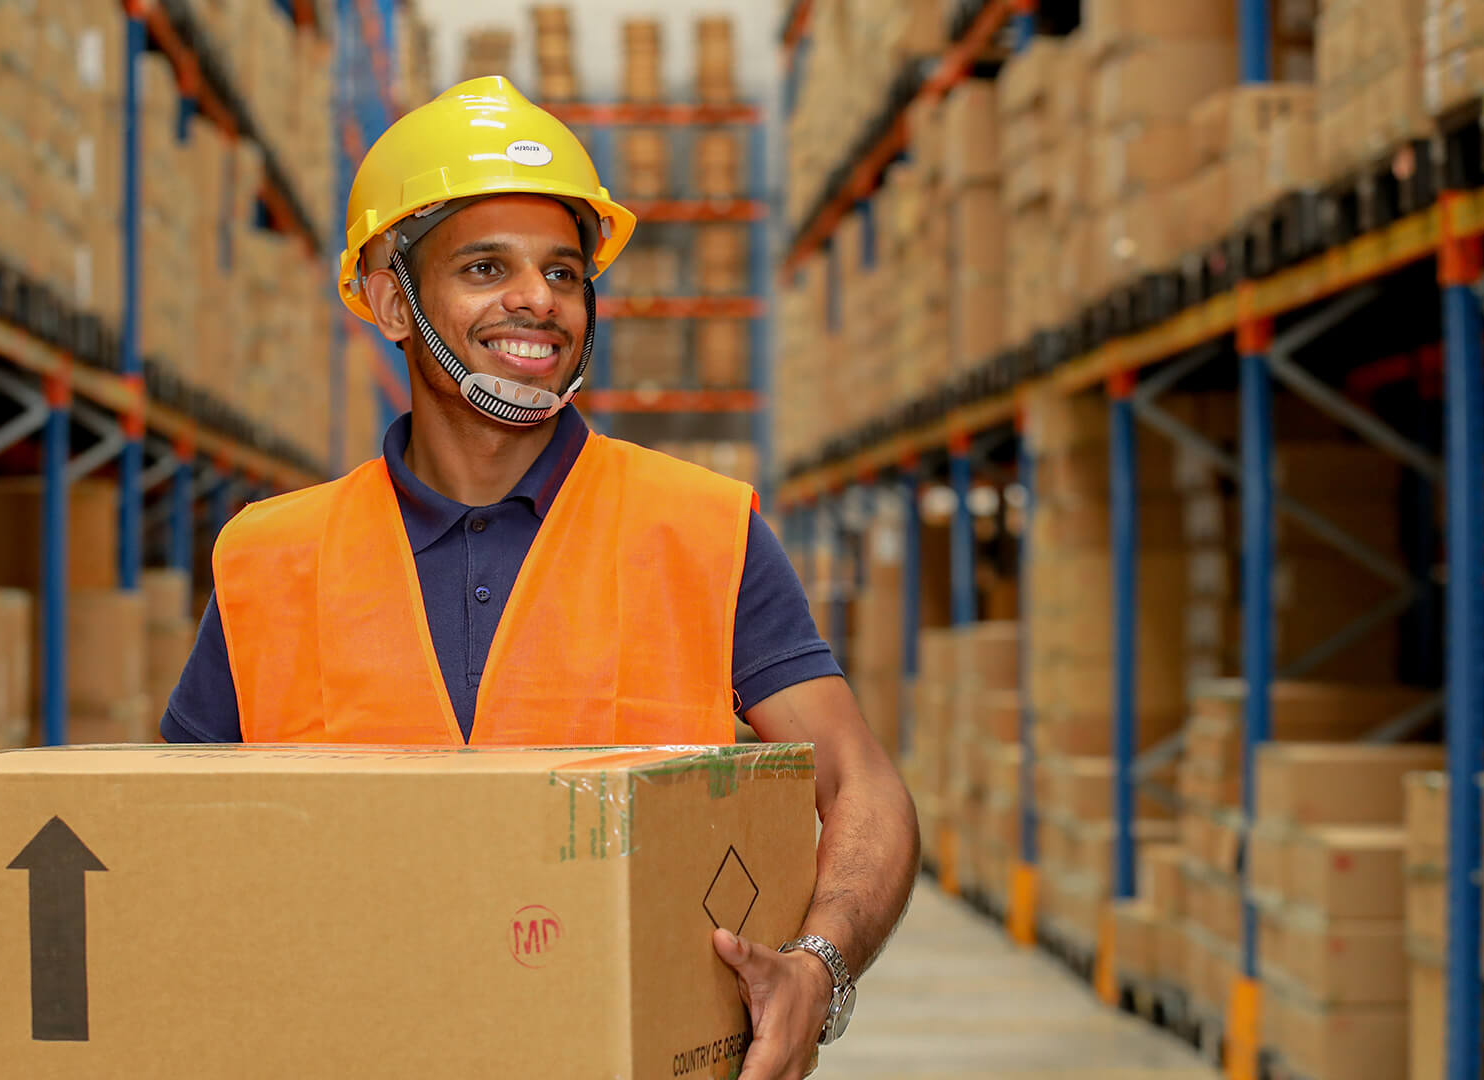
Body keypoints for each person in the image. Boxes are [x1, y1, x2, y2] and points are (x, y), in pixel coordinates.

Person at [162, 76, 918, 1080]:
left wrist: (818, 972)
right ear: (392, 300)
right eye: (486, 267)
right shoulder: (271, 556)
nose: (537, 302)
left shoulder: (697, 528)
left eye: (564, 273)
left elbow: (861, 783)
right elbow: (172, 842)